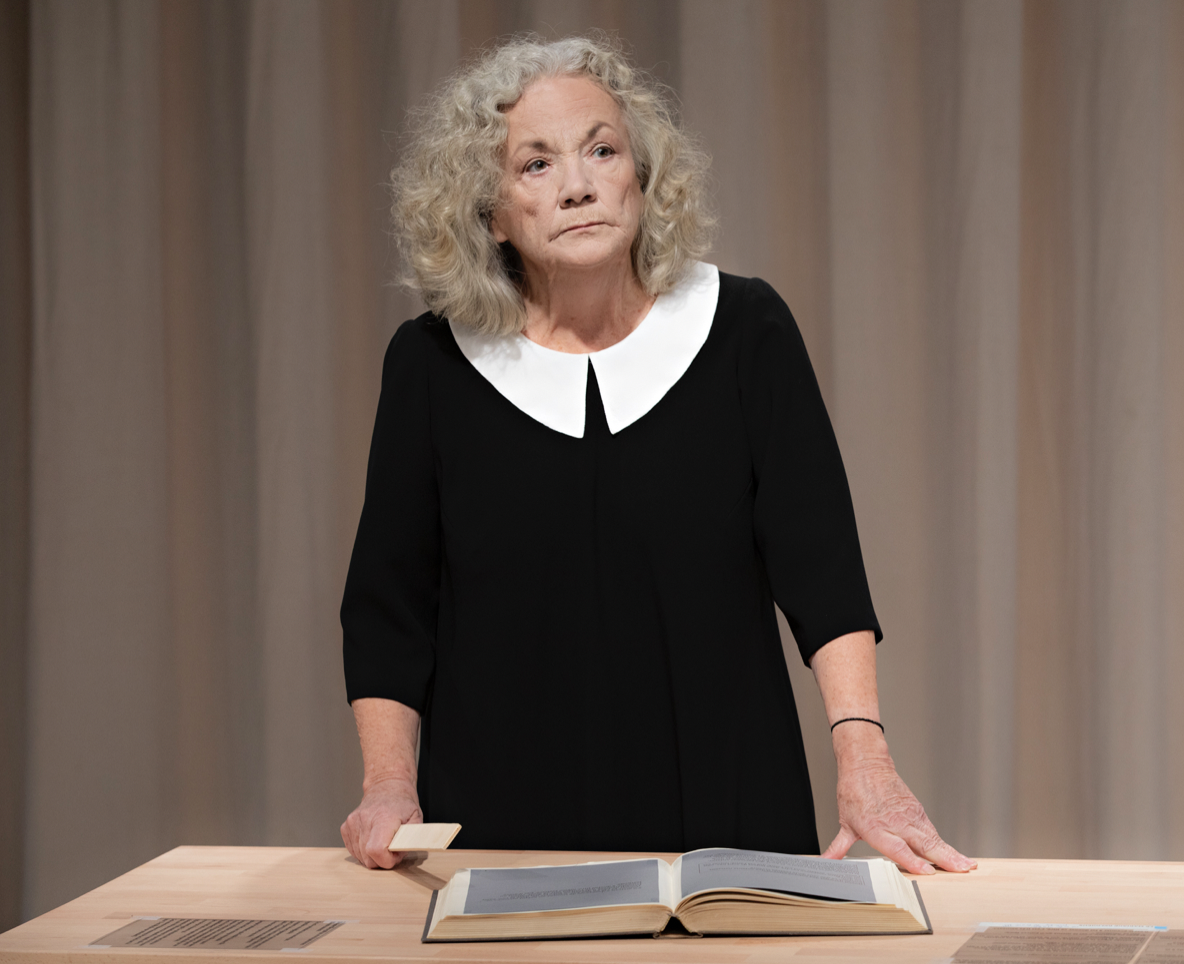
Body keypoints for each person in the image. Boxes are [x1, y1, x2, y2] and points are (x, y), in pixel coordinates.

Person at [339, 35, 975, 877]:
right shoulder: (431, 366)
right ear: (489, 212)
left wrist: (866, 763)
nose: (578, 184)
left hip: (731, 810)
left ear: (642, 174)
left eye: (602, 149)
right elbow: (389, 604)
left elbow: (823, 573)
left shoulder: (745, 331)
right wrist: (388, 784)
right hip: (501, 829)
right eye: (536, 164)